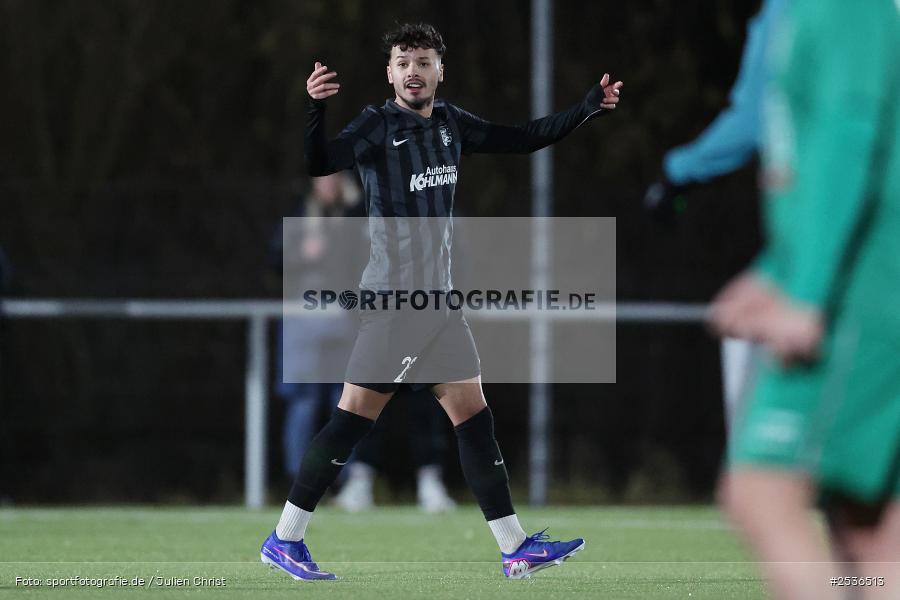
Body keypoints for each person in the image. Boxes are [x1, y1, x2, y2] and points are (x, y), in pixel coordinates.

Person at [260, 22, 623, 580]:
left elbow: (524, 137)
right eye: (403, 61)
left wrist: (586, 107)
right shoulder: (377, 125)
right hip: (396, 303)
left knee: (473, 417)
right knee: (351, 421)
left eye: (423, 61)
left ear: (438, 70)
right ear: (390, 73)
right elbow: (319, 162)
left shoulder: (452, 123)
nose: (413, 71)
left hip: (438, 307)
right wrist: (314, 109)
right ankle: (285, 539)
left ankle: (514, 546)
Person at [710, 1, 900, 598]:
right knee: (870, 533)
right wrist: (778, 269)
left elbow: (851, 132)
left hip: (861, 292)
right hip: (858, 278)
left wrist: (808, 292)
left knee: (761, 490)